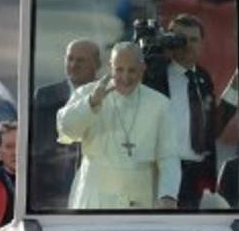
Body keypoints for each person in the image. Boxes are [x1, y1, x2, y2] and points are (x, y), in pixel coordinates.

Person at [57, 42, 180, 209]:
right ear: (110, 67)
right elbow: (66, 131)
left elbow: (169, 156)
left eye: (132, 70)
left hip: (141, 195)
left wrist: (168, 195)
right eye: (119, 70)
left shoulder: (160, 104)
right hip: (94, 196)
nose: (125, 78)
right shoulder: (88, 93)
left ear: (143, 68)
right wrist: (91, 103)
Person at [144, 14, 238, 207]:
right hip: (162, 171)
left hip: (195, 174)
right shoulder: (155, 75)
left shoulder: (202, 77)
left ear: (202, 44)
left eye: (194, 40)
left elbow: (212, 130)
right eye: (181, 39)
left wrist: (236, 88)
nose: (188, 45)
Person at [31, 40, 100, 209]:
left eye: (81, 60)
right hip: (54, 189)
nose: (73, 65)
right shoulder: (45, 96)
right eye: (70, 59)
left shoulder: (107, 96)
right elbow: (37, 143)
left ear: (97, 64)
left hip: (95, 186)